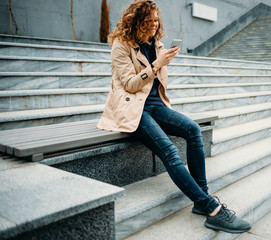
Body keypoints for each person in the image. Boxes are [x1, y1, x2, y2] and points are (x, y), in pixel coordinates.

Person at [97, 0, 251, 234]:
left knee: (193, 129)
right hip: (133, 110)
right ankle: (212, 209)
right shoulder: (121, 45)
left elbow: (157, 84)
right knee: (169, 151)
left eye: (156, 20)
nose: (154, 25)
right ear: (136, 21)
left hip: (156, 106)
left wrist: (161, 61)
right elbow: (129, 85)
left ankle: (201, 200)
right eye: (148, 22)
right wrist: (157, 64)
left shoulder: (156, 44)